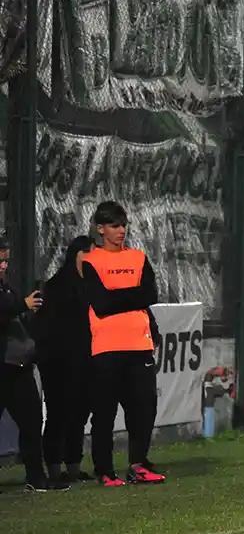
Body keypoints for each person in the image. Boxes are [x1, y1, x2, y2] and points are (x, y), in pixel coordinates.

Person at [81, 202, 166, 486]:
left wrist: (118, 294)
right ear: (100, 228)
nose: (121, 231)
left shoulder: (139, 258)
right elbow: (101, 305)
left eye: (123, 225)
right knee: (104, 412)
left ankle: (138, 464)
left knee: (144, 408)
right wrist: (133, 295)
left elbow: (151, 294)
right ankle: (104, 470)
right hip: (106, 347)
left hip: (139, 346)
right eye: (114, 226)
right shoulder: (92, 261)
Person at [0, 240, 64, 492]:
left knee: (31, 421)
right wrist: (21, 306)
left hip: (18, 365)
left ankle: (36, 477)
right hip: (3, 366)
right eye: (0, 261)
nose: (4, 266)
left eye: (5, 261)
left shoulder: (6, 287)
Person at [33, 235, 96, 486]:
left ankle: (73, 465)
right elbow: (51, 325)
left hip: (83, 358)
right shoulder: (59, 284)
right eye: (88, 253)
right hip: (58, 360)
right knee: (59, 413)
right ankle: (54, 468)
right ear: (77, 254)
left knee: (80, 413)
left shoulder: (91, 284)